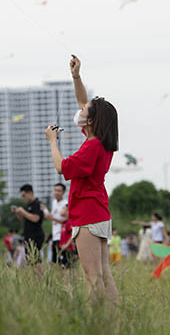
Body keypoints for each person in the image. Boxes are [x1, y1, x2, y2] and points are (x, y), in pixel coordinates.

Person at [45, 54, 120, 304]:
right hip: (98, 210)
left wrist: (53, 143)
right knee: (104, 275)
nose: (81, 110)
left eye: (85, 111)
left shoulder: (91, 147)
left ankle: (94, 324)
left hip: (87, 213)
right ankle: (114, 321)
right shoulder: (101, 143)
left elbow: (61, 167)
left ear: (92, 120)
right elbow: (83, 100)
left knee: (92, 277)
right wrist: (76, 76)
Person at [13, 184, 45, 265]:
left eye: (24, 195)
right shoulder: (29, 206)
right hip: (28, 235)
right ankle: (35, 276)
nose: (23, 198)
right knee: (30, 260)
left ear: (30, 193)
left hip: (36, 235)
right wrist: (18, 213)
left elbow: (35, 218)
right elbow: (24, 219)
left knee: (36, 259)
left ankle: (39, 277)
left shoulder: (37, 203)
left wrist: (23, 211)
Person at [44, 183, 69, 266]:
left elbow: (66, 220)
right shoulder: (54, 202)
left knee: (65, 264)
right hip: (55, 236)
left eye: (59, 191)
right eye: (55, 190)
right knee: (56, 263)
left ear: (64, 192)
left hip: (63, 236)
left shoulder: (66, 204)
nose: (56, 192)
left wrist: (51, 218)